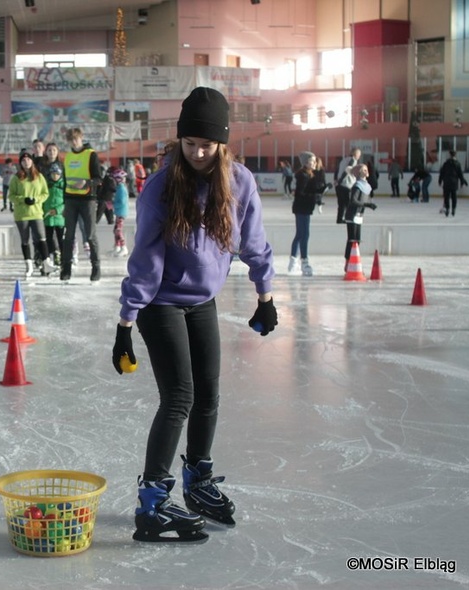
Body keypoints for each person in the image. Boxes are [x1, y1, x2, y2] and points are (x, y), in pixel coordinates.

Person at [112, 86, 277, 543]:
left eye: (207, 145)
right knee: (179, 396)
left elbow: (254, 241)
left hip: (202, 301)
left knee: (209, 393)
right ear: (179, 141)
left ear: (222, 143)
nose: (199, 153)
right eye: (190, 144)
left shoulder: (238, 181)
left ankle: (198, 484)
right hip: (160, 303)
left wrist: (265, 295)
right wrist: (127, 321)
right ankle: (152, 504)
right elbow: (145, 258)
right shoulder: (162, 186)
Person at [61, 127, 102, 282]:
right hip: (71, 200)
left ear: (81, 138)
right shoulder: (68, 156)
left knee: (90, 235)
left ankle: (96, 267)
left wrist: (86, 183)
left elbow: (99, 179)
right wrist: (64, 202)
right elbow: (65, 179)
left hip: (88, 200)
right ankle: (66, 268)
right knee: (68, 236)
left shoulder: (91, 155)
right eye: (71, 140)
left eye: (76, 139)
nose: (74, 142)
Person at [9, 148, 54, 277]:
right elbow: (11, 195)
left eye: (28, 159)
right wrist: (23, 199)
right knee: (25, 240)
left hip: (36, 213)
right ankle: (28, 265)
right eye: (23, 160)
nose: (26, 162)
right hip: (22, 214)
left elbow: (45, 193)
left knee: (42, 238)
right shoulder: (16, 178)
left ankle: (46, 263)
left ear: (32, 161)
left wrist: (36, 199)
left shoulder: (39, 177)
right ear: (20, 163)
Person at [289, 151, 324, 276]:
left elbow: (310, 190)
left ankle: (297, 261)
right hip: (301, 208)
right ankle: (302, 261)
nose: (314, 163)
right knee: (302, 235)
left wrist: (322, 189)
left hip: (305, 208)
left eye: (315, 161)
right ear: (305, 163)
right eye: (312, 161)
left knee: (302, 234)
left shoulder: (309, 175)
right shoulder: (303, 175)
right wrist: (315, 193)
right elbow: (301, 193)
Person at [344, 163, 378, 263]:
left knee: (357, 240)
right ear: (358, 173)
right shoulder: (357, 186)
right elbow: (353, 201)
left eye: (366, 169)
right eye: (363, 170)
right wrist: (368, 205)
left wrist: (368, 204)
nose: (366, 171)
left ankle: (354, 261)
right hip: (352, 215)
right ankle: (348, 261)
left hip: (359, 215)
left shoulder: (366, 185)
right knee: (352, 240)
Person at [43, 161, 65, 267]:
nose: (55, 176)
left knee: (61, 238)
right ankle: (52, 255)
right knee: (49, 238)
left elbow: (66, 202)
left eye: (57, 174)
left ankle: (63, 256)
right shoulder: (47, 185)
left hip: (60, 217)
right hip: (47, 217)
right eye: (53, 174)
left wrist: (58, 210)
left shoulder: (63, 185)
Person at [334, 147, 360, 224]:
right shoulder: (352, 160)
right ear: (355, 154)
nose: (359, 156)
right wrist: (340, 180)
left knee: (341, 204)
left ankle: (339, 219)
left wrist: (336, 180)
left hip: (339, 185)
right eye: (359, 154)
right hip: (346, 184)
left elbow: (337, 170)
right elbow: (347, 170)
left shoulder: (343, 160)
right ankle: (349, 218)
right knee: (348, 203)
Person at [438, 150, 467, 217]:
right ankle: (453, 209)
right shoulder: (457, 163)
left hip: (447, 182)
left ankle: (447, 209)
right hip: (454, 183)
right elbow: (460, 174)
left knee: (446, 197)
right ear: (455, 155)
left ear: (449, 155)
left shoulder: (446, 163)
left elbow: (442, 173)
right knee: (454, 197)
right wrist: (462, 182)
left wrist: (440, 181)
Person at [111, 167, 130, 257]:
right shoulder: (120, 187)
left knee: (118, 230)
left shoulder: (121, 188)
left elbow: (122, 201)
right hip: (119, 212)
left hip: (121, 212)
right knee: (116, 230)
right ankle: (117, 247)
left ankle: (124, 247)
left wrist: (113, 205)